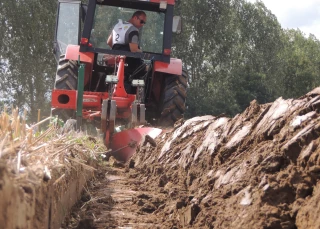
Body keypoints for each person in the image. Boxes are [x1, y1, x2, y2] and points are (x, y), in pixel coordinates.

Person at [106, 11, 147, 93]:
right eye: (142, 21)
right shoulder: (133, 30)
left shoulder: (117, 26)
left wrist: (117, 52)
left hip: (115, 58)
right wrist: (141, 51)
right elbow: (133, 50)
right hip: (128, 61)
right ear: (135, 17)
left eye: (144, 23)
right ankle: (139, 93)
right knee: (144, 68)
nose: (142, 24)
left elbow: (109, 42)